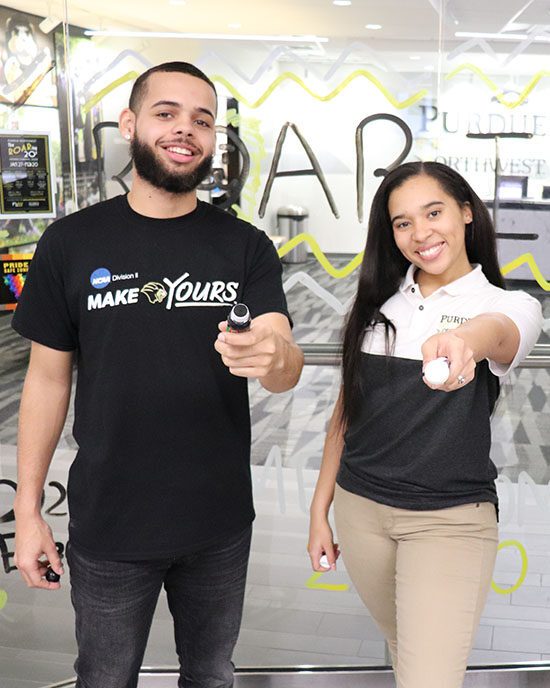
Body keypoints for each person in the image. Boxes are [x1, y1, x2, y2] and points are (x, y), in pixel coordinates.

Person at [12, 61, 303, 688]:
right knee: (105, 677)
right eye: (166, 113)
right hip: (110, 523)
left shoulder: (245, 246)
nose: (185, 131)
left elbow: (282, 357)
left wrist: (276, 358)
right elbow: (46, 381)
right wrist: (28, 508)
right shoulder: (69, 243)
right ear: (131, 125)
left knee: (211, 675)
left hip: (218, 522)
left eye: (203, 120)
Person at [308, 162, 542, 688]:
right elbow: (344, 417)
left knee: (427, 676)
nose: (421, 233)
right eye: (402, 222)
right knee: (406, 649)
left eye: (433, 212)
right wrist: (319, 509)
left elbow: (498, 332)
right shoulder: (378, 305)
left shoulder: (509, 305)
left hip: (449, 521)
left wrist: (465, 342)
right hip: (361, 511)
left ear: (465, 213)